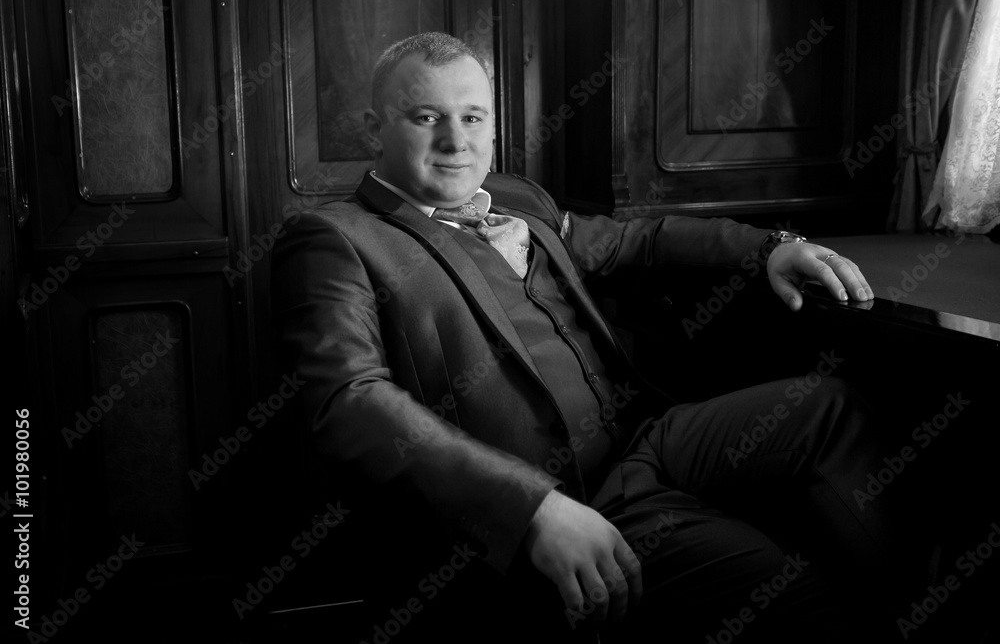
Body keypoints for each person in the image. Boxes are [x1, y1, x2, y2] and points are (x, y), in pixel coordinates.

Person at [271, 32, 905, 643]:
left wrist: (770, 249)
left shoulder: (521, 199)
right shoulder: (336, 239)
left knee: (828, 407)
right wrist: (530, 509)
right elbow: (346, 403)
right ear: (370, 128)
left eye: (472, 117)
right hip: (568, 498)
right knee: (795, 596)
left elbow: (638, 240)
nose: (454, 140)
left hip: (647, 440)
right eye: (427, 116)